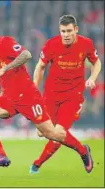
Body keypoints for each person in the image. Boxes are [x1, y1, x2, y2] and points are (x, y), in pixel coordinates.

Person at [0, 17, 93, 171]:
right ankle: (1, 156)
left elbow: (26, 55)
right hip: (9, 97)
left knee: (50, 133)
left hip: (27, 96)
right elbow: (1, 73)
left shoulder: (5, 43)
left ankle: (83, 150)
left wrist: (4, 69)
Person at [30, 14, 101, 174]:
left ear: (76, 29)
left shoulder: (86, 44)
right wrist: (34, 91)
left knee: (59, 132)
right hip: (51, 94)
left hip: (73, 95)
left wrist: (92, 77)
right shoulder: (51, 45)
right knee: (43, 132)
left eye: (69, 31)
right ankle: (38, 163)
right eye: (63, 31)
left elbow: (97, 62)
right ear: (59, 31)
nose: (66, 35)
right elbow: (40, 67)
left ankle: (83, 152)